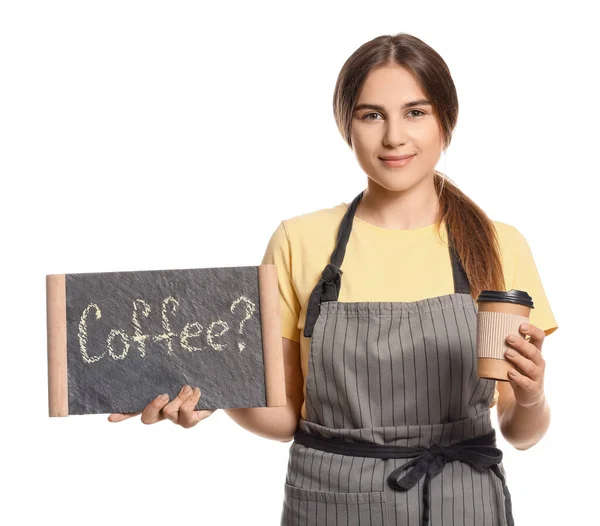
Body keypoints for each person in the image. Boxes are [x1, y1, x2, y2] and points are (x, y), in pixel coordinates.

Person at [109, 32, 558, 526]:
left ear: (446, 121)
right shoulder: (299, 242)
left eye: (415, 112)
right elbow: (286, 418)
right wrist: (209, 387)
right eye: (371, 115)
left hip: (462, 507)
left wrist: (532, 395)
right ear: (347, 125)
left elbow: (520, 430)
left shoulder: (498, 244)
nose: (393, 136)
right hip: (330, 506)